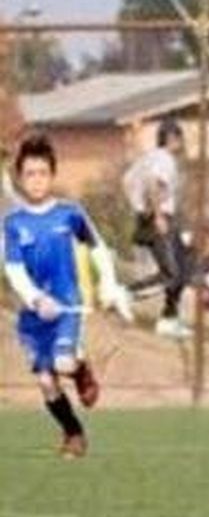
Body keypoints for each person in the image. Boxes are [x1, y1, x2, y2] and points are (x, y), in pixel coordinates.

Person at [3, 134, 131, 458]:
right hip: (34, 313)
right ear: (20, 177)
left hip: (66, 303)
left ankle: (79, 369)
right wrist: (35, 300)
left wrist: (108, 285)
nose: (36, 180)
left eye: (43, 173)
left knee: (61, 361)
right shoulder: (13, 224)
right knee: (46, 382)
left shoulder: (69, 214)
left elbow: (97, 248)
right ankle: (73, 432)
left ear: (52, 174)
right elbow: (14, 269)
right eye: (30, 174)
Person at [123, 119, 190, 339]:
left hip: (152, 215)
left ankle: (169, 319)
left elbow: (127, 180)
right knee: (172, 273)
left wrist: (137, 205)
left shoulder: (148, 158)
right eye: (180, 138)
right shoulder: (164, 159)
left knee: (182, 269)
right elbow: (154, 184)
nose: (182, 143)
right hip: (159, 217)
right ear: (172, 138)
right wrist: (158, 215)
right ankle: (126, 293)